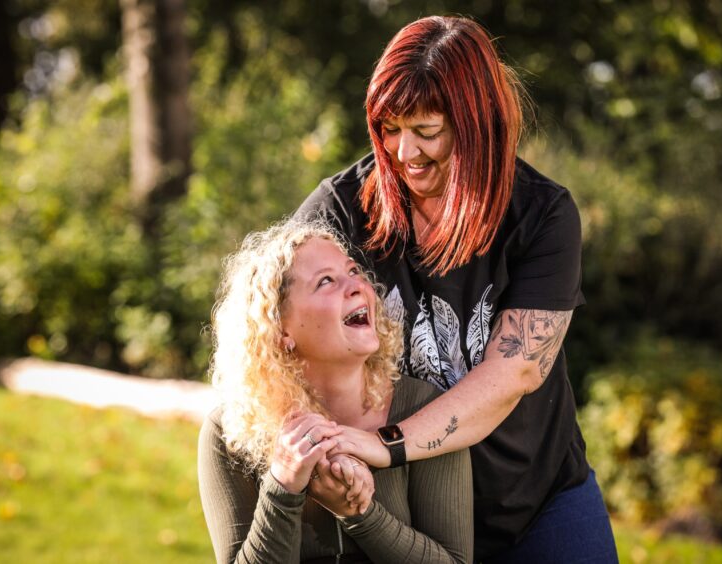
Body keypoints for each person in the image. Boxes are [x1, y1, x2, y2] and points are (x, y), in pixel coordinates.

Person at [297, 15, 619, 563]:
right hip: (404, 507)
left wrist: (387, 444)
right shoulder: (340, 210)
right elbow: (270, 314)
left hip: (536, 501)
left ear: (477, 125)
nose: (404, 153)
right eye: (390, 128)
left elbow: (516, 369)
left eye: (427, 131)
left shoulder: (542, 214)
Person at [197, 218, 473, 563]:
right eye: (326, 281)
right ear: (280, 328)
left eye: (353, 271)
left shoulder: (426, 411)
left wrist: (360, 514)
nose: (358, 286)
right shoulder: (231, 432)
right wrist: (282, 486)